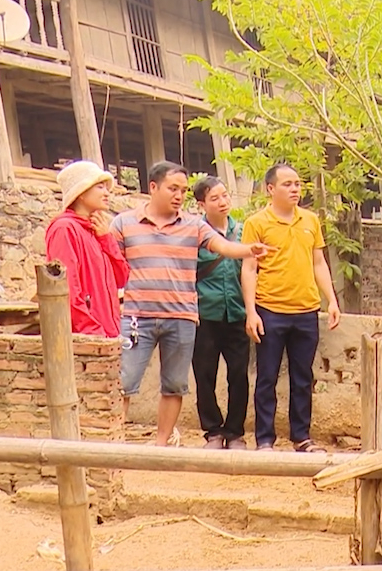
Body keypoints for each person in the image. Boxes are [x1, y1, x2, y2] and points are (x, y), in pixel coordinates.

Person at [112, 161, 273, 447]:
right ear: (153, 187)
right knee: (124, 382)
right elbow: (110, 262)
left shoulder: (193, 225)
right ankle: (112, 444)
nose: (178, 195)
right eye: (172, 188)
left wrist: (249, 249)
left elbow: (223, 246)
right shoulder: (124, 223)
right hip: (137, 317)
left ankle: (161, 446)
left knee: (174, 385)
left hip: (182, 316)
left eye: (183, 190)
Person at [241, 163, 341, 453]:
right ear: (270, 189)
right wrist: (251, 311)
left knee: (303, 377)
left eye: (297, 183)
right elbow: (249, 269)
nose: (295, 189)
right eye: (287, 184)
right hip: (270, 309)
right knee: (267, 377)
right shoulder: (257, 223)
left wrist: (331, 300)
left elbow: (318, 262)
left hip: (306, 310)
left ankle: (302, 437)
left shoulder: (310, 220)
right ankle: (264, 439)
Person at [191, 176, 251, 450]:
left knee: (239, 374)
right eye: (215, 198)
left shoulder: (242, 231)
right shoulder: (194, 233)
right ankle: (213, 431)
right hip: (205, 314)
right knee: (205, 374)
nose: (223, 202)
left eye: (225, 196)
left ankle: (235, 431)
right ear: (202, 204)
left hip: (237, 314)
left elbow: (251, 273)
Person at [44, 160, 129, 337]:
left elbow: (121, 278)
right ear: (81, 193)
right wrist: (92, 331)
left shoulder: (97, 229)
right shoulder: (65, 229)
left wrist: (107, 239)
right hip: (87, 337)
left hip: (108, 332)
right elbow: (66, 287)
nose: (107, 193)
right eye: (100, 187)